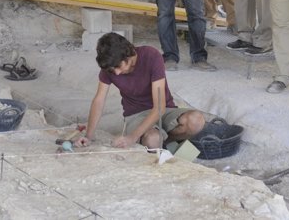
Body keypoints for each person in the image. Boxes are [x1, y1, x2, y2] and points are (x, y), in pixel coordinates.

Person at [76, 32, 205, 149]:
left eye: (118, 66)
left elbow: (159, 107)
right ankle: (160, 142)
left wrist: (132, 138)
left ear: (127, 55)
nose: (116, 72)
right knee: (153, 139)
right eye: (112, 69)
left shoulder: (151, 56)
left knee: (196, 120)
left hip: (165, 110)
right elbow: (99, 101)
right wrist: (88, 136)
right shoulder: (110, 67)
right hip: (136, 115)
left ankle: (165, 142)